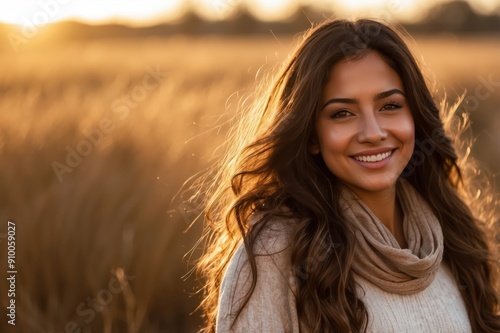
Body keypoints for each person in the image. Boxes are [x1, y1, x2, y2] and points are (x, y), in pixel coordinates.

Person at [196, 18, 500, 332]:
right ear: (312, 136)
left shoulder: (453, 234)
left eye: (390, 105)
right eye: (342, 113)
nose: (373, 133)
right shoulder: (273, 250)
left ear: (416, 118)